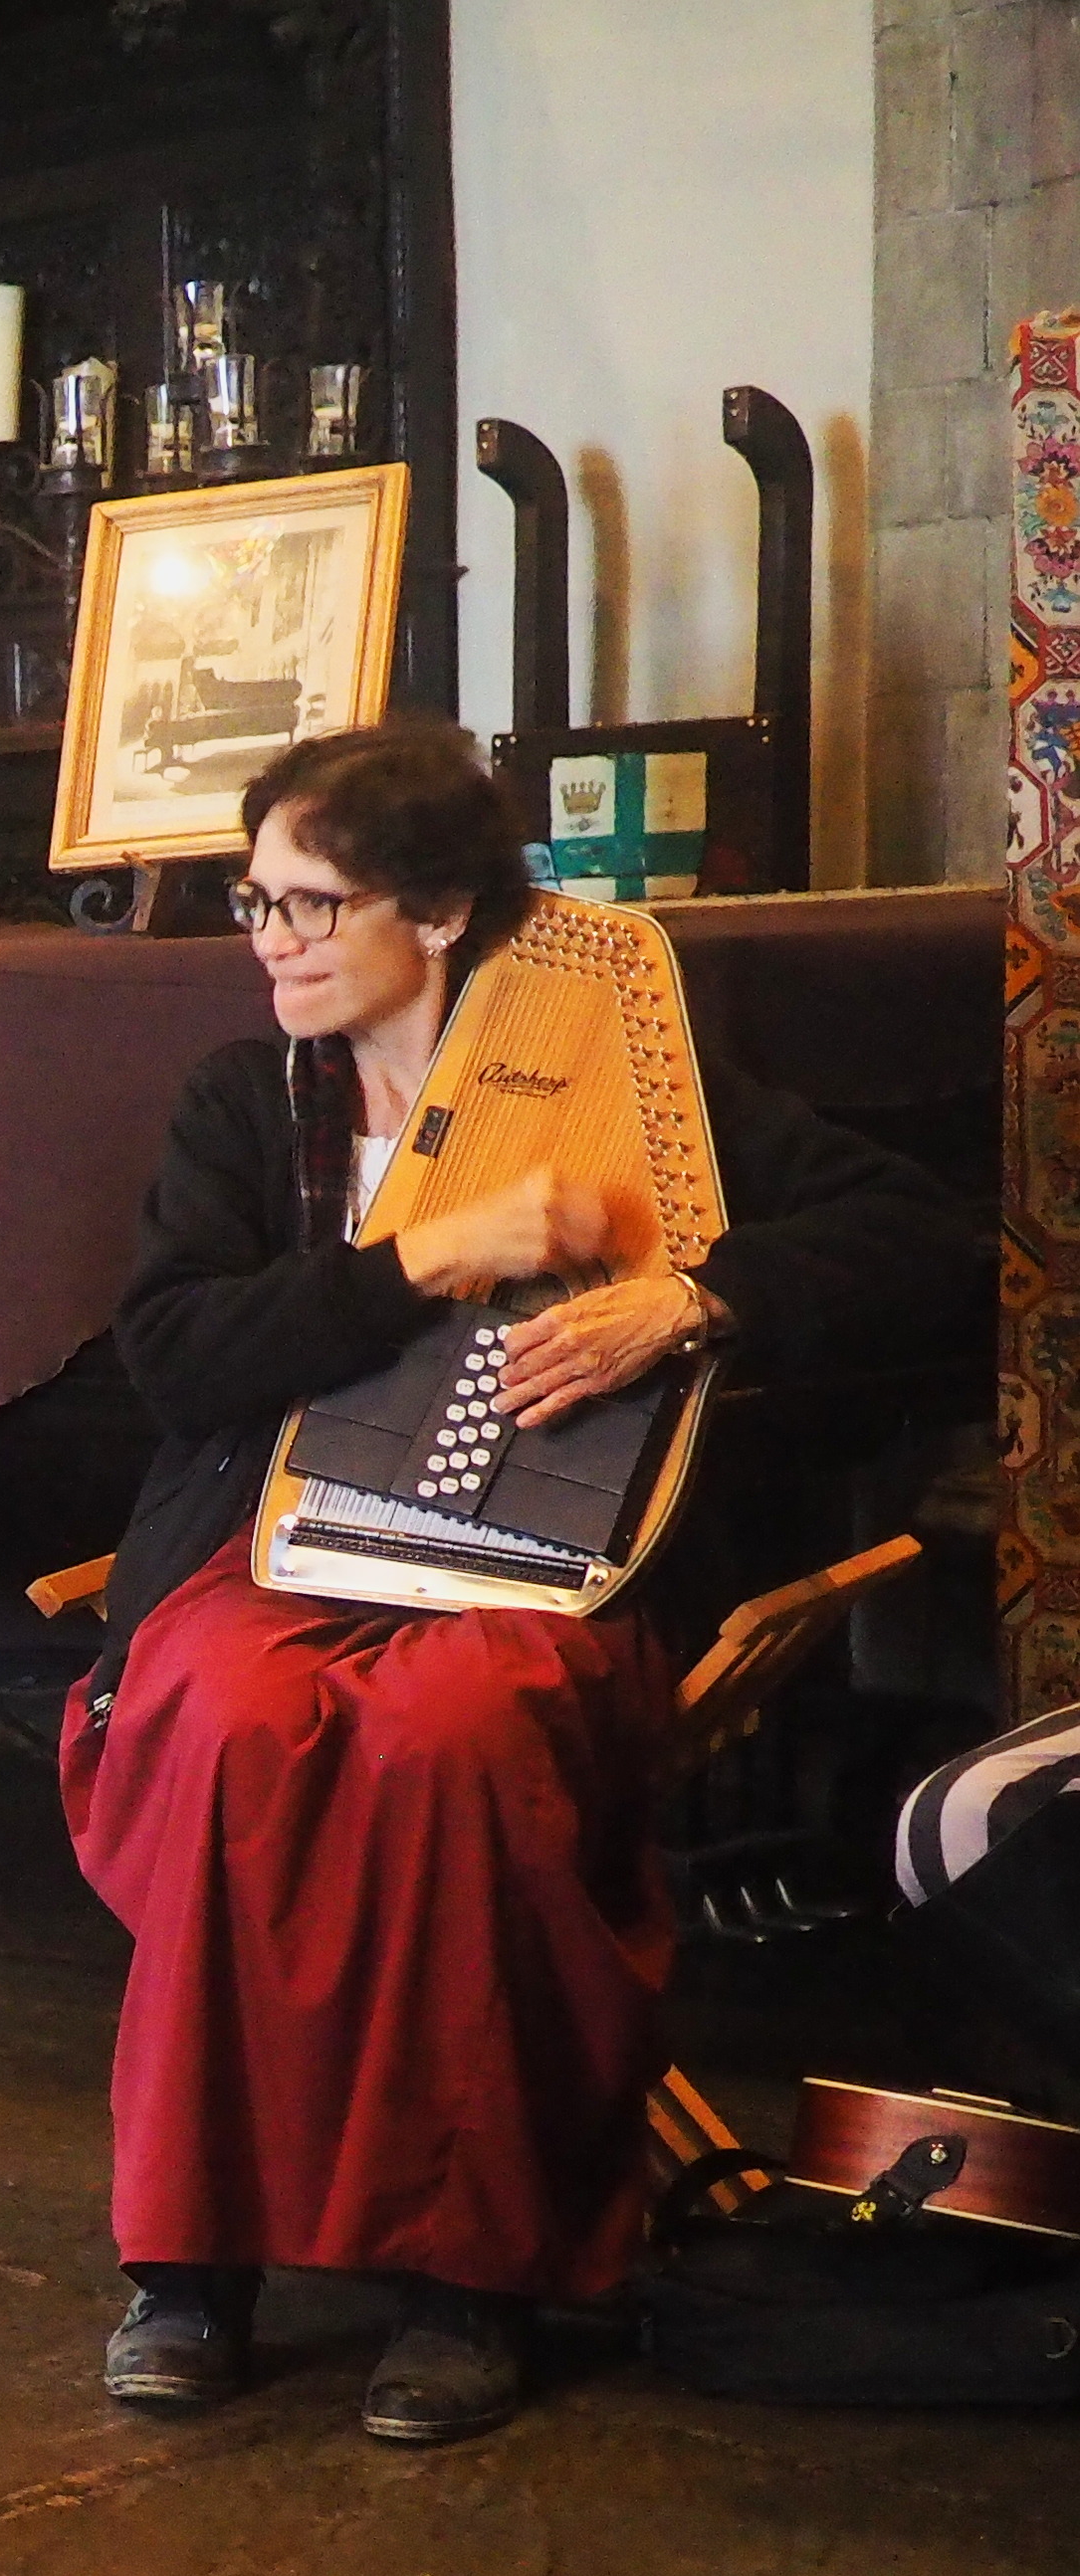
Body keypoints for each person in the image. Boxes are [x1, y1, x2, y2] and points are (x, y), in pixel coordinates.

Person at [71, 724, 979, 2443]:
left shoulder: (637, 1081)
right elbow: (177, 1357)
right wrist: (425, 1253)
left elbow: (924, 1239)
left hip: (551, 1572)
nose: (271, 939)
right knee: (229, 1717)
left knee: (461, 1738)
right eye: (254, 901)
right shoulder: (246, 1104)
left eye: (311, 903)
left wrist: (693, 1296)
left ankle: (466, 2278)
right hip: (275, 1549)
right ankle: (190, 2262)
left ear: (435, 911)